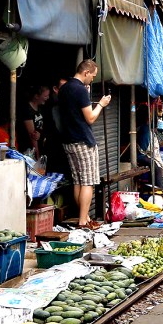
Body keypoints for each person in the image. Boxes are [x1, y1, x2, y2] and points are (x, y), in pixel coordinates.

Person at [60, 59, 111, 227]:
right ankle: (83, 220)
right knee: (87, 182)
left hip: (68, 140)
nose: (92, 79)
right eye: (93, 76)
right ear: (86, 72)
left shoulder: (64, 88)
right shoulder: (80, 90)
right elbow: (90, 118)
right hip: (83, 140)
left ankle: (84, 217)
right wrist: (101, 104)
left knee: (77, 181)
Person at [136, 104, 163, 193]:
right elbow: (147, 148)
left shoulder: (151, 129)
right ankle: (158, 195)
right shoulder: (144, 129)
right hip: (143, 156)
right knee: (158, 169)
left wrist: (160, 132)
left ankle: (162, 193)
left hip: (152, 155)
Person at [17, 85, 49, 157]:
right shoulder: (27, 110)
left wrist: (41, 134)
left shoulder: (40, 108)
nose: (47, 98)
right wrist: (37, 154)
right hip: (29, 148)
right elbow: (33, 136)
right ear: (36, 96)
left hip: (40, 145)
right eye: (45, 96)